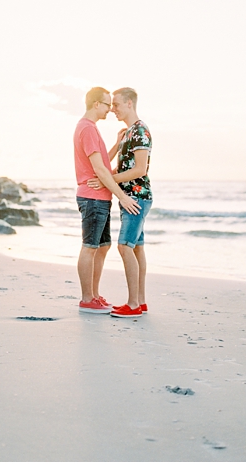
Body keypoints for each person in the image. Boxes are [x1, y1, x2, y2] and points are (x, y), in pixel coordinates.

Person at [73, 87, 140, 314]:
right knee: (90, 247)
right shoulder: (87, 129)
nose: (111, 109)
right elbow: (100, 170)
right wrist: (122, 196)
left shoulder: (90, 128)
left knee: (102, 247)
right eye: (106, 104)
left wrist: (117, 144)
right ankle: (86, 299)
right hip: (92, 198)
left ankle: (93, 295)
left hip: (99, 198)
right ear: (95, 105)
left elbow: (101, 161)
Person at [89, 87, 152, 318]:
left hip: (136, 198)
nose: (113, 109)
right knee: (136, 248)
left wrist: (109, 180)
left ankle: (133, 305)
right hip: (129, 198)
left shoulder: (140, 131)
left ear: (129, 104)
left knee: (125, 246)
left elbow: (139, 169)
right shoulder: (127, 133)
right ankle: (141, 302)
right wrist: (106, 178)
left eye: (116, 104)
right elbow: (122, 167)